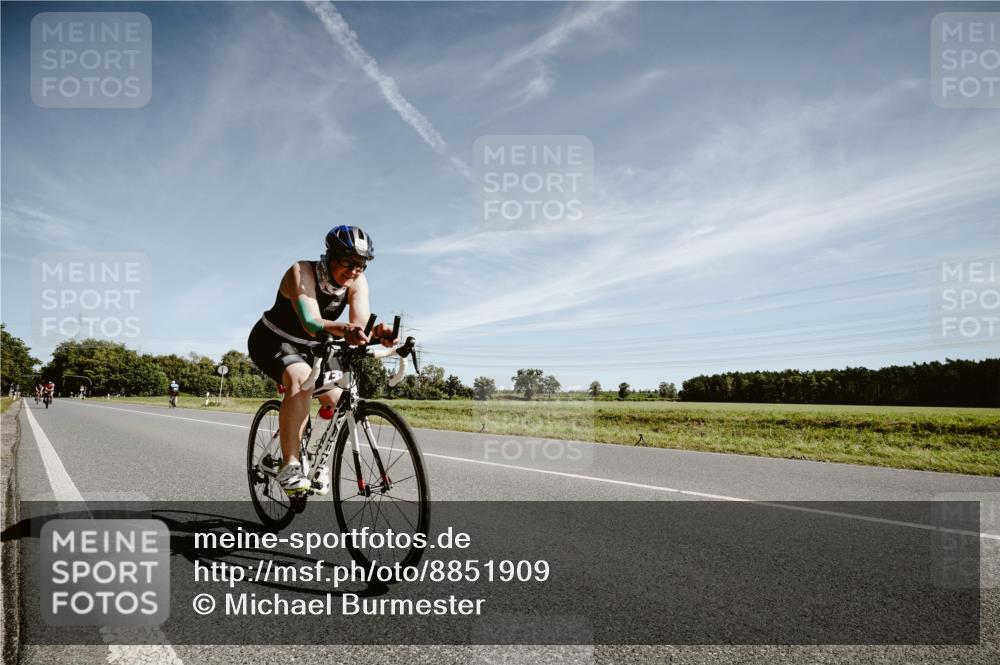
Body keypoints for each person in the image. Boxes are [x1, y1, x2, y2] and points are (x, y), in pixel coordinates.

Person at [248, 225, 396, 496]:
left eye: (361, 265)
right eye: (348, 262)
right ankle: (289, 464)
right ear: (330, 255)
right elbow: (311, 322)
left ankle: (316, 457)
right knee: (301, 379)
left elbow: (359, 324)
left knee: (340, 399)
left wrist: (376, 333)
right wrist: (347, 330)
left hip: (317, 346)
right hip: (274, 339)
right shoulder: (302, 272)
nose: (353, 271)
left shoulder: (357, 282)